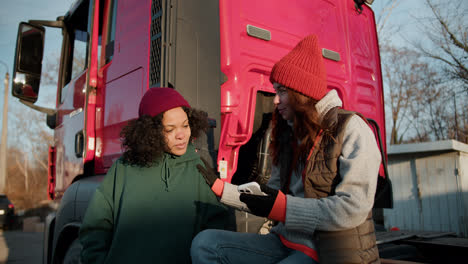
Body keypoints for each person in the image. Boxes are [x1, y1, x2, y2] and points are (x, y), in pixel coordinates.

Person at [191, 34, 381, 264]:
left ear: (302, 92)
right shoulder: (288, 135)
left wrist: (284, 208)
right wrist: (221, 189)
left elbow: (353, 207)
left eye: (282, 91)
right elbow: (269, 197)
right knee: (206, 245)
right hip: (283, 242)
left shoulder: (352, 128)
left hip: (326, 249)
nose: (275, 100)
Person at [79, 87, 232, 264]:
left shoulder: (198, 169)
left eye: (185, 125)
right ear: (150, 131)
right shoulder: (124, 168)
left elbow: (215, 230)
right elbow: (95, 227)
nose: (181, 135)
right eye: (170, 129)